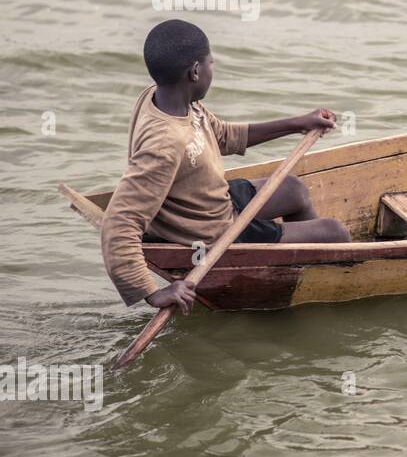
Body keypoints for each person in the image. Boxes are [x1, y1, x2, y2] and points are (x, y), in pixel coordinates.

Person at [100, 19, 350, 315]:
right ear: (195, 71)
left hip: (210, 201)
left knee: (293, 189)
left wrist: (298, 123)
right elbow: (118, 226)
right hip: (211, 230)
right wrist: (153, 293)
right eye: (210, 63)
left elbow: (223, 135)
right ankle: (313, 288)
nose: (211, 70)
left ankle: (289, 270)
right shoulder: (164, 144)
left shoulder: (171, 99)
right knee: (336, 233)